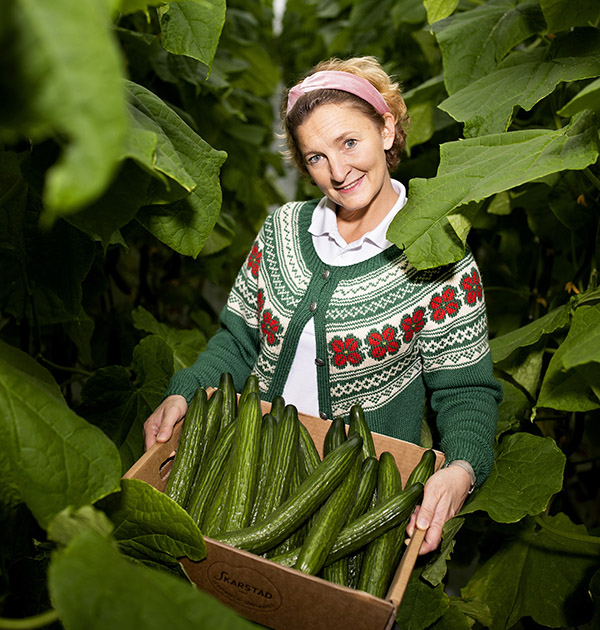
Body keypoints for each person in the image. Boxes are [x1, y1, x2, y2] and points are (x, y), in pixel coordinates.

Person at [143, 56, 502, 555]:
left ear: (387, 128)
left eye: (349, 142)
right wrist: (188, 390)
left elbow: (465, 391)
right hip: (252, 476)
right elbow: (239, 341)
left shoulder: (435, 254)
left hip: (354, 500)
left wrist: (462, 467)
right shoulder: (282, 230)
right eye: (315, 157)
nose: (337, 171)